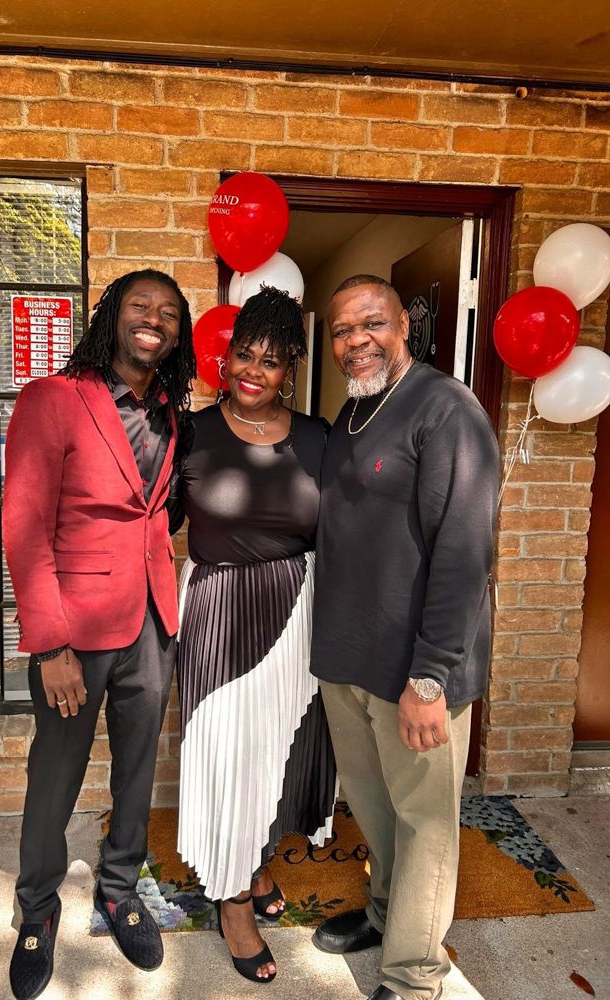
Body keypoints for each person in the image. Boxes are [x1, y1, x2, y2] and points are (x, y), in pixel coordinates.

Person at [2, 269, 195, 1000]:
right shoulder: (53, 399)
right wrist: (49, 645)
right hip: (73, 632)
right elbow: (23, 527)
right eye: (141, 307)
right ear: (112, 317)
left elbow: (155, 510)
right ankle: (38, 908)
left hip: (152, 619)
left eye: (169, 313)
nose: (155, 320)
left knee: (138, 768)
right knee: (55, 775)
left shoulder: (170, 412)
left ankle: (118, 890)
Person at [310, 275, 499, 1000]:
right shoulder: (352, 414)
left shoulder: (446, 410)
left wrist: (431, 678)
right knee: (377, 808)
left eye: (372, 324)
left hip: (416, 673)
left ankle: (415, 974)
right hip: (349, 663)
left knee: (425, 823)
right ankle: (388, 915)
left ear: (404, 328)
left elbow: (464, 554)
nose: (356, 340)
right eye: (341, 330)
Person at [170, 286, 338, 986]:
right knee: (224, 752)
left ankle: (255, 859)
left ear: (290, 369)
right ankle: (232, 902)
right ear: (225, 357)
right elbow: (146, 522)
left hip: (297, 611)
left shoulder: (318, 437)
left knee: (276, 754)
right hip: (217, 610)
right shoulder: (192, 433)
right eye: (245, 353)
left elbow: (347, 530)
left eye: (271, 360)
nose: (254, 370)